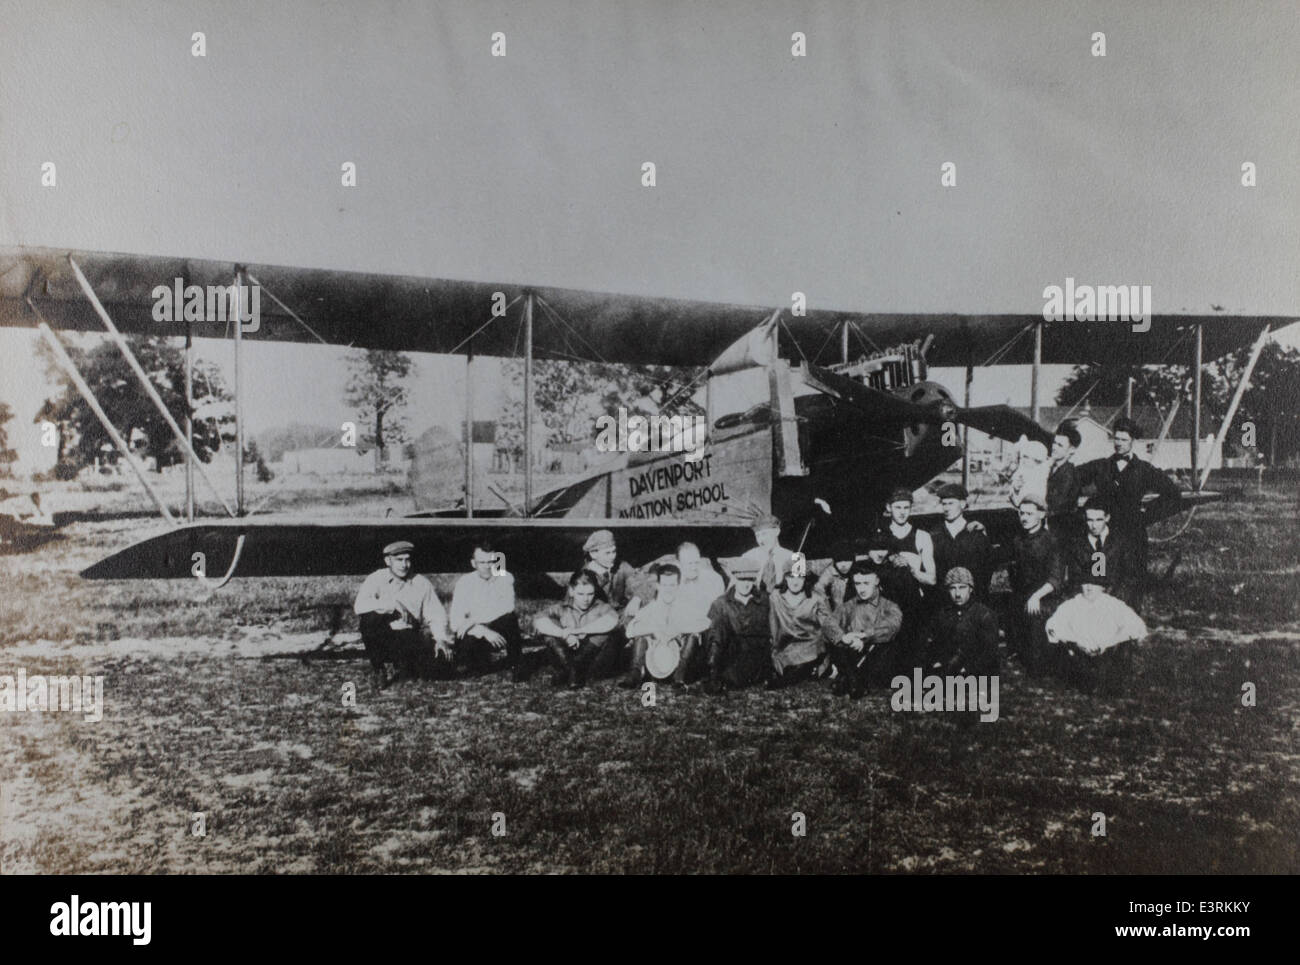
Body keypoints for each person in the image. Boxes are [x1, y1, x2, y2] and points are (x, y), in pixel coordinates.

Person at [1076, 417, 1183, 598]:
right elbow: (1070, 478)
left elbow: (1173, 494)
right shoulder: (1101, 466)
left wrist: (1147, 513)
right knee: (1099, 575)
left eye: (1124, 440)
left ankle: (1133, 614)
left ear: (1133, 442)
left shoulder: (1144, 469)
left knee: (1132, 578)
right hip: (1104, 532)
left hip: (1133, 532)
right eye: (1116, 439)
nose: (1119, 444)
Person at [353, 540, 452, 688]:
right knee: (369, 619)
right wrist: (392, 605)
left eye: (407, 560)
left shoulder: (421, 583)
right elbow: (359, 606)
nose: (404, 565)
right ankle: (379, 668)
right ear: (388, 561)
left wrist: (440, 639)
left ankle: (406, 665)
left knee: (441, 664)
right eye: (399, 560)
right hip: (383, 637)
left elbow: (436, 614)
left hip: (408, 636)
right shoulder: (376, 579)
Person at [1046, 575, 1147, 694]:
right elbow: (1052, 626)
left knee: (1109, 673)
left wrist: (1108, 643)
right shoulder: (1071, 605)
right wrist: (1077, 641)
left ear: (1102, 587)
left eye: (1094, 584)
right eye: (1086, 583)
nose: (1089, 588)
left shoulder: (1113, 605)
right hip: (1078, 656)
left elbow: (1139, 627)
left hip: (1106, 655)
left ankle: (1107, 683)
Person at [620, 563, 711, 688]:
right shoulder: (652, 607)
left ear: (679, 586)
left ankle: (680, 676)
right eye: (664, 585)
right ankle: (635, 673)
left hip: (678, 659)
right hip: (655, 662)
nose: (668, 589)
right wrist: (654, 629)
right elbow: (629, 631)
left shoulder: (686, 606)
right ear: (658, 586)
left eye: (672, 585)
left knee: (693, 635)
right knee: (641, 635)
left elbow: (706, 622)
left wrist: (678, 629)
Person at [1004, 494, 1065, 677]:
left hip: (1046, 595)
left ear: (1041, 515)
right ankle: (1019, 653)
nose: (1024, 518)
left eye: (1029, 514)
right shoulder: (1018, 539)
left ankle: (1040, 662)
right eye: (1021, 513)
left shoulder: (1051, 541)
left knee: (1036, 664)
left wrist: (1036, 596)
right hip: (1023, 594)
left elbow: (1056, 578)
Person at [823, 563, 903, 698]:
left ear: (877, 581)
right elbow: (829, 623)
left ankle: (849, 679)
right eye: (858, 584)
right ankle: (854, 680)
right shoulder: (849, 605)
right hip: (852, 653)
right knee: (836, 642)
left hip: (876, 656)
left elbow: (891, 626)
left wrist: (864, 636)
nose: (862, 588)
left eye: (866, 583)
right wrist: (844, 637)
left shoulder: (889, 606)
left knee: (885, 647)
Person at [449, 541, 525, 681]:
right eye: (481, 562)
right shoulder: (464, 582)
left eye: (490, 562)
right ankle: (475, 664)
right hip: (476, 632)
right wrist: (483, 630)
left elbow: (507, 607)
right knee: (468, 657)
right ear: (473, 563)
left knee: (509, 618)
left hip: (496, 626)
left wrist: (473, 620)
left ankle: (516, 665)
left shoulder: (505, 577)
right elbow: (455, 622)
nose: (487, 567)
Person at [533, 570, 621, 688]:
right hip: (566, 656)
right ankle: (570, 669)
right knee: (551, 625)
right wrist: (564, 634)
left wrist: (577, 631)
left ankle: (574, 669)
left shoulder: (602, 607)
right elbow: (538, 620)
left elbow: (612, 621)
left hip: (591, 663)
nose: (586, 599)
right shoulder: (561, 608)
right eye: (581, 594)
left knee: (605, 632)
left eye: (590, 594)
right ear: (571, 591)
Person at [879, 488, 935, 673]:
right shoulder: (880, 535)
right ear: (889, 508)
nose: (902, 512)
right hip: (886, 600)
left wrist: (911, 568)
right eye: (897, 507)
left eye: (906, 507)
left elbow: (932, 579)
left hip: (912, 602)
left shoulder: (921, 537)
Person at [701, 561, 772, 693]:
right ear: (734, 579)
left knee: (743, 669)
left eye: (750, 580)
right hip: (731, 650)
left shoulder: (764, 601)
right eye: (741, 579)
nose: (745, 584)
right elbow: (714, 634)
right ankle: (712, 670)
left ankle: (723, 680)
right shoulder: (721, 603)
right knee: (718, 625)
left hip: (756, 651)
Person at [920, 567, 1000, 677]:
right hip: (950, 668)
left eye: (962, 587)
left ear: (970, 589)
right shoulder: (942, 614)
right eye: (952, 588)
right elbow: (934, 644)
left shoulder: (984, 614)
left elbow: (989, 653)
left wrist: (966, 668)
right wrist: (936, 662)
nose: (957, 594)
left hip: (977, 672)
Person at [767, 561, 832, 688]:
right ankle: (801, 672)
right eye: (791, 577)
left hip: (811, 643)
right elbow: (772, 623)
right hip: (786, 644)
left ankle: (787, 680)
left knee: (806, 660)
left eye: (800, 577)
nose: (795, 582)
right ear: (785, 577)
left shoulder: (816, 598)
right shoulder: (776, 597)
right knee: (783, 663)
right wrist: (774, 646)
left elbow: (828, 624)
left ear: (805, 578)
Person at [1065, 497, 1139, 607]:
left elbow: (1130, 577)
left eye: (1099, 520)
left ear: (1107, 518)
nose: (1094, 526)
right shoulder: (1077, 544)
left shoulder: (1121, 541)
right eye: (1090, 520)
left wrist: (1114, 602)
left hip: (1117, 602)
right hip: (1087, 603)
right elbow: (1075, 580)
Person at [929, 483, 993, 603]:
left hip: (973, 601)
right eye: (944, 504)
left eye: (951, 503)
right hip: (942, 601)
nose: (947, 508)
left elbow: (986, 570)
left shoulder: (976, 535)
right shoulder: (934, 535)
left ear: (962, 504)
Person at [581, 529, 643, 619]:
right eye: (607, 553)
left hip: (621, 615)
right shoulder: (584, 575)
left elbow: (639, 583)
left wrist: (637, 598)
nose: (612, 556)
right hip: (597, 618)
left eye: (614, 551)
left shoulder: (621, 567)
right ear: (593, 554)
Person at [672, 541, 726, 628]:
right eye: (689, 563)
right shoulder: (670, 583)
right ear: (678, 564)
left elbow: (720, 613)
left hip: (709, 630)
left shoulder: (714, 580)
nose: (694, 568)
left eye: (696, 562)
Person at [740, 514, 794, 595]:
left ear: (777, 531)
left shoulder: (791, 557)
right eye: (757, 536)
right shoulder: (748, 557)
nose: (761, 540)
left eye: (764, 534)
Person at [1046, 422, 1083, 536]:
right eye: (1054, 443)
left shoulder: (1069, 473)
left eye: (1060, 445)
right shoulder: (1050, 468)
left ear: (1071, 450)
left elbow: (1057, 504)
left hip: (1062, 531)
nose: (1054, 448)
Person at [813, 539, 858, 610]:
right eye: (839, 561)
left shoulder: (858, 573)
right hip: (837, 615)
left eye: (847, 560)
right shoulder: (831, 571)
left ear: (852, 561)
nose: (843, 565)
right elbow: (818, 588)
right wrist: (827, 611)